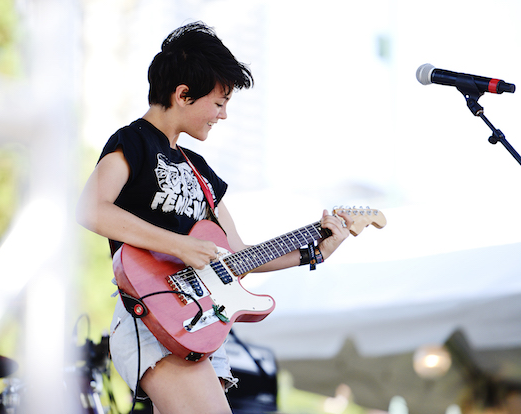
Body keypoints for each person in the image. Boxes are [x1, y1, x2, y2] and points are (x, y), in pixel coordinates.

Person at [76, 21, 353, 414]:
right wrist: (181, 246)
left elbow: (237, 254)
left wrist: (316, 252)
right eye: (219, 103)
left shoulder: (201, 170)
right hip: (152, 313)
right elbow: (91, 208)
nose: (223, 116)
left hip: (202, 321)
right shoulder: (133, 141)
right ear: (183, 95)